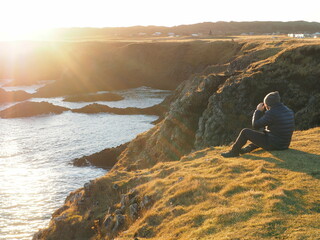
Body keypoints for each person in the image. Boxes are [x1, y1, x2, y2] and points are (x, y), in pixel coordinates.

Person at [221, 91, 295, 158]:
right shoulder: (288, 110)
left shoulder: (272, 113)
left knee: (245, 132)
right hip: (284, 144)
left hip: (275, 144)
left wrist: (258, 111)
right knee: (263, 133)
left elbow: (255, 125)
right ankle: (248, 149)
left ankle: (234, 152)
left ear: (268, 104)